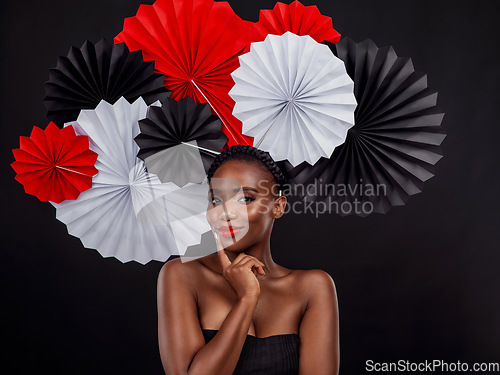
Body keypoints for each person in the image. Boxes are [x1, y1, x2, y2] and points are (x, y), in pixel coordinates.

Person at [157, 145, 339, 375]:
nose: (226, 212)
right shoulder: (182, 275)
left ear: (278, 207)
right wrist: (246, 299)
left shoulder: (312, 287)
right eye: (216, 199)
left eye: (245, 199)